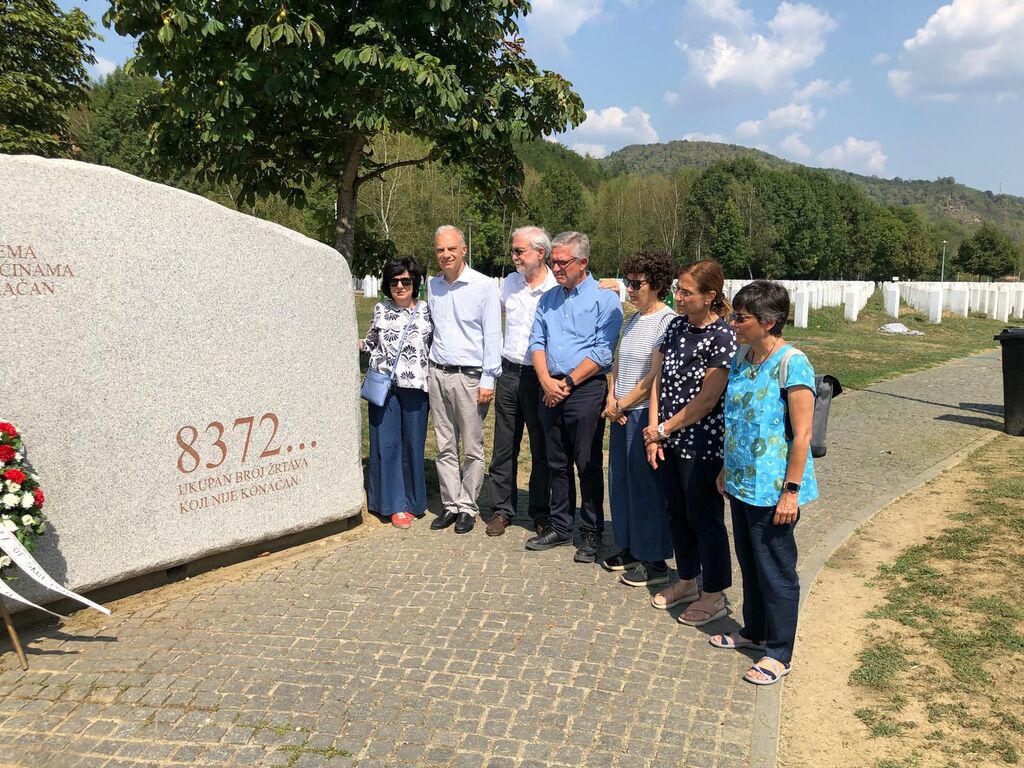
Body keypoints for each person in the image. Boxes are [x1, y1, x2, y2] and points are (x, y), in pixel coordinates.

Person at [710, 280, 818, 687]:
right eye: (734, 315)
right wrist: (725, 467)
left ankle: (779, 651)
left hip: (774, 488)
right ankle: (754, 632)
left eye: (741, 317)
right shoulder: (742, 356)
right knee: (751, 563)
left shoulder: (792, 363)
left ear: (769, 322)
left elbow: (802, 435)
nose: (734, 323)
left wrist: (790, 491)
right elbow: (737, 421)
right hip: (740, 482)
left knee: (775, 569)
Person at [643, 260, 737, 625]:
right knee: (676, 513)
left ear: (710, 297)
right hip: (667, 439)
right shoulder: (677, 326)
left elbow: (707, 399)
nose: (677, 297)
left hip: (701, 444)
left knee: (704, 517)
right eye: (677, 290)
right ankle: (687, 580)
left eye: (686, 292)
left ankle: (714, 593)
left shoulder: (723, 337)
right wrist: (654, 432)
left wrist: (663, 429)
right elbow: (658, 381)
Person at [525, 232, 623, 562]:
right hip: (549, 387)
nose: (555, 268)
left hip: (585, 390)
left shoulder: (604, 300)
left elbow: (601, 350)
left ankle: (592, 532)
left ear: (583, 263)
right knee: (556, 463)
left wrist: (565, 384)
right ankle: (561, 526)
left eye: (562, 262)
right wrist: (544, 380)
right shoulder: (549, 299)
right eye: (552, 261)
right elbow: (536, 342)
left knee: (587, 463)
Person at [600, 251, 676, 586]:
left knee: (646, 488)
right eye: (627, 281)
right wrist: (611, 397)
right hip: (620, 412)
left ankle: (655, 559)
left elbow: (653, 377)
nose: (629, 289)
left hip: (644, 412)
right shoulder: (632, 320)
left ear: (656, 284)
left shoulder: (666, 322)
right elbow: (619, 364)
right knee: (621, 483)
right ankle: (630, 546)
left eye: (636, 283)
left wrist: (624, 403)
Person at [427, 225, 503, 535]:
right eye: (440, 250)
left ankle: (469, 505)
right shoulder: (433, 286)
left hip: (470, 378)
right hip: (437, 373)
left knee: (472, 447)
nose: (445, 255)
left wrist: (489, 378)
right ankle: (450, 504)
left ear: (463, 250)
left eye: (451, 249)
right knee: (444, 445)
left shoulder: (483, 286)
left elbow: (493, 335)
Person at [485, 226, 558, 537]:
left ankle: (540, 512)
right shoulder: (510, 284)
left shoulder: (556, 287)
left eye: (519, 251)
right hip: (510, 372)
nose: (513, 256)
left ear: (540, 253)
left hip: (540, 377)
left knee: (541, 448)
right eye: (513, 251)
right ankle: (501, 509)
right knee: (504, 446)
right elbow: (486, 316)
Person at [360, 257, 433, 529]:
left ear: (415, 283)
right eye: (394, 281)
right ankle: (392, 504)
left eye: (405, 281)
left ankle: (413, 501)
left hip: (415, 386)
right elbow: (370, 341)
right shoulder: (380, 309)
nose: (400, 286)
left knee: (413, 445)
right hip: (385, 386)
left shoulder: (426, 310)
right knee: (386, 445)